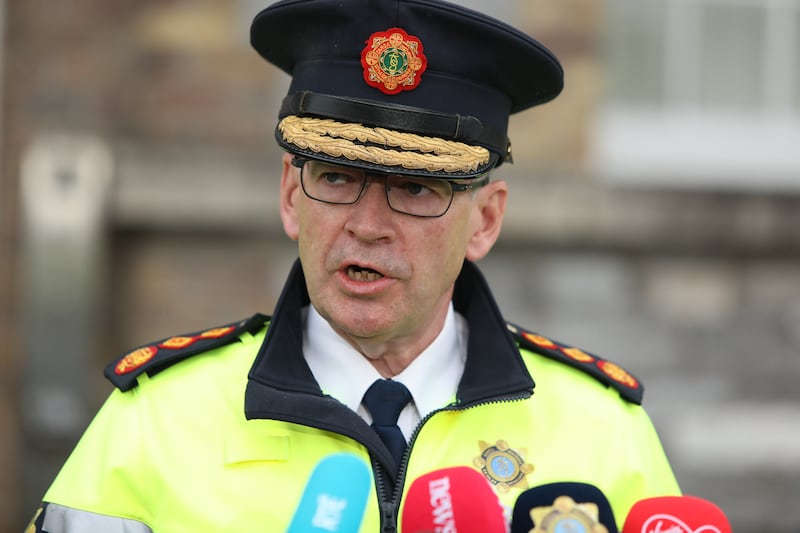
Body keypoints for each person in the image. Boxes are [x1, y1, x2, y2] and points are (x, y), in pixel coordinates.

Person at [28, 0, 680, 531]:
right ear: (290, 194)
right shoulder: (156, 421)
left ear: (484, 220)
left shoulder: (603, 430)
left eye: (417, 189)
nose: (366, 225)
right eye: (337, 178)